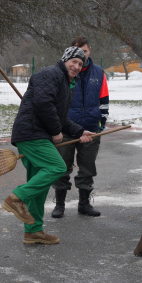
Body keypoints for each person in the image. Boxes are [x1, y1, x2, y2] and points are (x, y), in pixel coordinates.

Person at [1, 46, 95, 245]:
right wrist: (55, 131)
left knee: (39, 185)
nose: (77, 66)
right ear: (65, 60)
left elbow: (60, 118)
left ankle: (33, 231)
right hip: (32, 134)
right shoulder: (50, 74)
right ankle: (16, 198)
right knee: (57, 167)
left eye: (80, 64)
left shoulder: (67, 84)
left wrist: (80, 131)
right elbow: (44, 104)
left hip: (37, 134)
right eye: (74, 62)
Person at [51, 37, 110, 218]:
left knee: (87, 168)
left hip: (91, 128)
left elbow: (104, 98)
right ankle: (59, 204)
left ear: (89, 50)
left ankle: (84, 204)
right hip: (66, 129)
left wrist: (101, 124)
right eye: (76, 52)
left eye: (83, 51)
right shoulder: (62, 72)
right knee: (62, 167)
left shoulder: (98, 72)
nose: (80, 56)